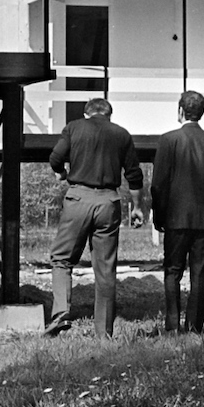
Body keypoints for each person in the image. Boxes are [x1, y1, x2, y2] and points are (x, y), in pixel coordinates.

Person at [48, 96, 144, 337]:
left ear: (86, 112)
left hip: (78, 198)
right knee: (105, 269)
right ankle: (103, 333)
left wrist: (62, 173)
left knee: (61, 259)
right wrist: (137, 207)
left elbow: (55, 158)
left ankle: (60, 313)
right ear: (109, 115)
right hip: (108, 202)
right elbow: (134, 175)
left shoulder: (73, 127)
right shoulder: (121, 134)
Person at [151, 89, 204, 333]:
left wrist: (159, 216)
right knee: (199, 273)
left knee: (173, 271)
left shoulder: (168, 140)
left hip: (175, 218)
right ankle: (195, 326)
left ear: (181, 110)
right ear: (201, 113)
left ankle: (172, 325)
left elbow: (158, 184)